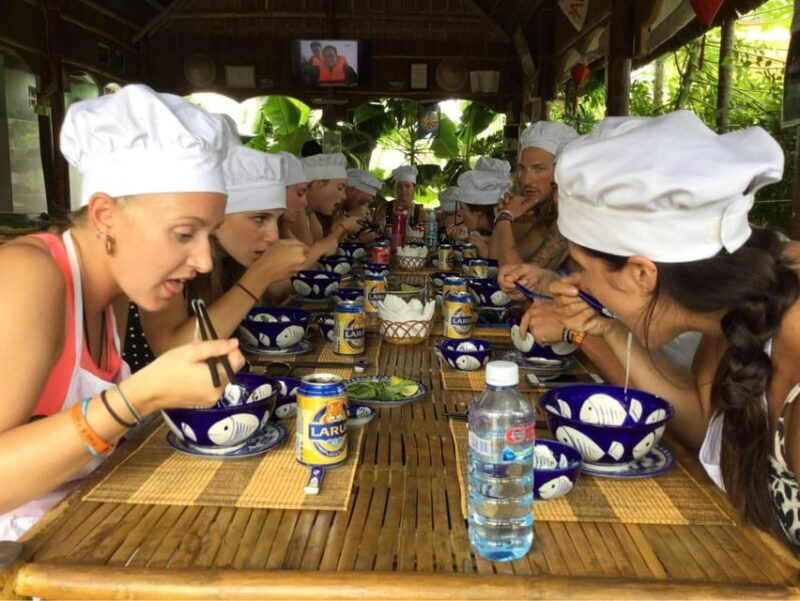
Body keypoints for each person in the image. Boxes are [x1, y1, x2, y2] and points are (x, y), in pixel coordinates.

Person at [532, 110, 800, 545]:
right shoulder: (728, 311)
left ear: (642, 274)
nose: (576, 282)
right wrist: (609, 331)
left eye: (582, 267)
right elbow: (701, 427)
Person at [0, 84, 244, 540]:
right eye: (184, 233)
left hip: (80, 536)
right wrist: (138, 397)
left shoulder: (114, 288)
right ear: (105, 217)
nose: (205, 261)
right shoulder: (28, 276)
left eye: (210, 234)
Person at [140, 146, 308, 353]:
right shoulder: (167, 254)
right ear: (217, 218)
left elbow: (282, 293)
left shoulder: (231, 259)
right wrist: (259, 276)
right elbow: (174, 352)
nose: (273, 236)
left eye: (277, 220)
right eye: (260, 218)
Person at [491, 121, 578, 270]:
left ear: (562, 171)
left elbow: (515, 279)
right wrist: (506, 219)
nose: (526, 180)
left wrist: (504, 218)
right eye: (523, 169)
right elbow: (493, 262)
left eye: (538, 169)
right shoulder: (545, 217)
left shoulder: (573, 217)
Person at [447, 169, 510, 258]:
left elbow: (496, 261)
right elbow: (491, 241)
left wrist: (476, 243)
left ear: (478, 211)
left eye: (462, 208)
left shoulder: (508, 227)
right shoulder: (495, 228)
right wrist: (468, 237)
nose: (459, 213)